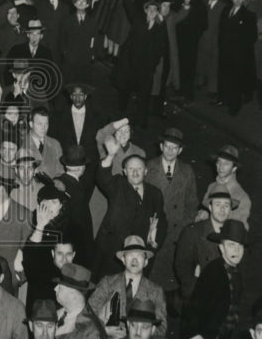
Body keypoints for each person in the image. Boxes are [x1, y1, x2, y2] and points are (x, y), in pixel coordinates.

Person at [92, 143, 166, 281]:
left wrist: (153, 246)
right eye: (131, 169)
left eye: (139, 168)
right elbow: (102, 177)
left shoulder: (155, 194)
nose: (135, 172)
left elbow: (161, 222)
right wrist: (110, 155)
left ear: (145, 171)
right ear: (124, 172)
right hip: (112, 253)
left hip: (138, 256)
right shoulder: (118, 185)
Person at [142, 127, 198, 305]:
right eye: (167, 146)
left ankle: (168, 305)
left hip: (176, 233)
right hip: (154, 231)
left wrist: (183, 227)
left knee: (172, 277)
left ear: (180, 150)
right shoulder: (149, 167)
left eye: (175, 148)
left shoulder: (187, 171)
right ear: (161, 146)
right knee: (151, 274)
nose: (170, 151)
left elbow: (192, 203)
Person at [182, 219, 248, 339]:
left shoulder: (239, 272)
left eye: (240, 246)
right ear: (221, 248)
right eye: (231, 245)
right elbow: (196, 309)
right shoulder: (213, 271)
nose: (237, 250)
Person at [90, 235, 168, 339]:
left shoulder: (156, 291)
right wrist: (104, 330)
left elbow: (161, 329)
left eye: (139, 256)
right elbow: (88, 316)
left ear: (146, 262)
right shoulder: (107, 283)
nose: (134, 260)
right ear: (123, 259)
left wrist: (137, 337)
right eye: (130, 255)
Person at [52, 263, 105, 339]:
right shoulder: (56, 312)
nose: (55, 289)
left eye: (60, 287)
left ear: (73, 296)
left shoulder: (91, 333)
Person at [199, 145, 252, 229]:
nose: (221, 167)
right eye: (219, 162)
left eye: (226, 164)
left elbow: (240, 230)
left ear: (234, 168)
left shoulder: (242, 197)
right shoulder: (212, 186)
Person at [104, 298, 175, 339]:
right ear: (128, 325)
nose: (138, 332)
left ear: (152, 330)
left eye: (144, 327)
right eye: (133, 325)